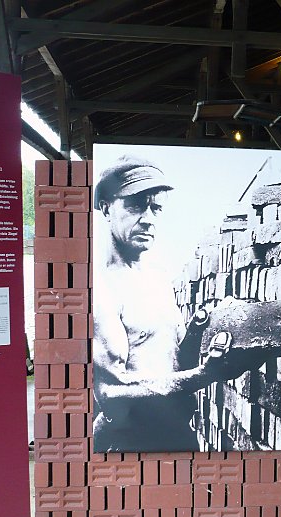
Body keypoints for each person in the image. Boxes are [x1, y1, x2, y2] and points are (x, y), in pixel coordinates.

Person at [92, 155, 239, 452]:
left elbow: (172, 363)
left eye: (155, 207)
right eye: (136, 205)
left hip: (176, 430)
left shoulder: (157, 278)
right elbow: (111, 390)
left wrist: (201, 325)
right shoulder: (102, 287)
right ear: (107, 208)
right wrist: (203, 376)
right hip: (127, 441)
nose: (148, 218)